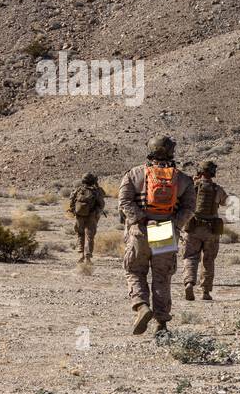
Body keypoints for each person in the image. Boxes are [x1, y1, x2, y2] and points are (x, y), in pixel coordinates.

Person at [118, 135, 195, 334]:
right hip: (165, 230)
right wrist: (174, 225)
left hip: (140, 231)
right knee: (162, 276)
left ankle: (142, 306)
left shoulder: (134, 174)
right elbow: (188, 208)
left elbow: (125, 202)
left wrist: (139, 220)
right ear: (171, 151)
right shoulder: (183, 179)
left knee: (135, 271)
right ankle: (161, 323)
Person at [181, 161, 228, 301]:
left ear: (199, 172)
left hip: (192, 228)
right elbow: (226, 202)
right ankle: (205, 292)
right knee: (208, 261)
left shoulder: (191, 187)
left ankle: (189, 283)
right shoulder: (217, 189)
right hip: (211, 230)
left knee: (190, 257)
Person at [68, 173, 107, 262]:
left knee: (80, 234)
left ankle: (80, 254)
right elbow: (102, 203)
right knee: (90, 236)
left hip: (79, 216)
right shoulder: (96, 191)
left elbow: (71, 200)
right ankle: (88, 257)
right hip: (92, 216)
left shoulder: (78, 189)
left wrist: (74, 211)